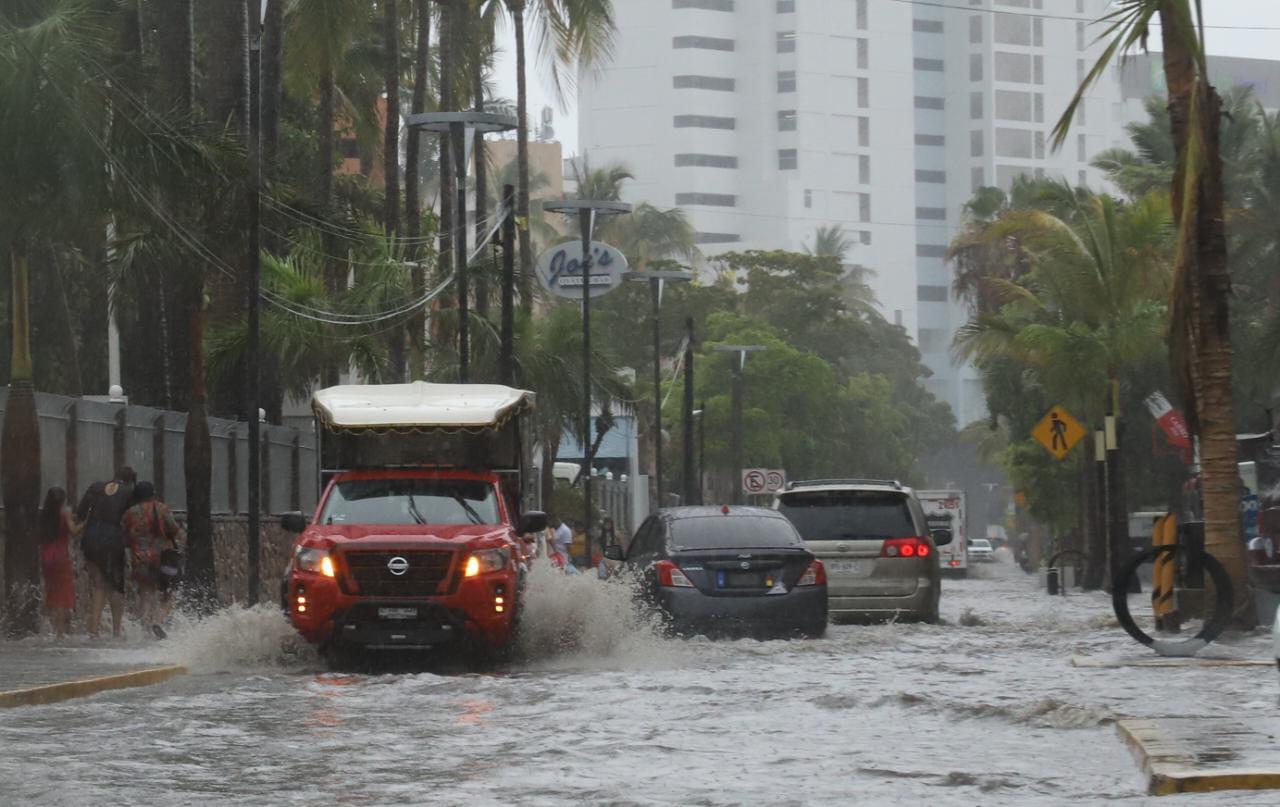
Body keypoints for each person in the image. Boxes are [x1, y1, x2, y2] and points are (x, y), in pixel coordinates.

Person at [78, 467, 137, 639]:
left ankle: (93, 631)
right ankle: (116, 632)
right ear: (130, 481)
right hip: (112, 539)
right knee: (116, 585)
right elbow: (132, 519)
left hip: (90, 538)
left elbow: (81, 512)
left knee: (100, 584)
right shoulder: (128, 492)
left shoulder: (96, 487)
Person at [121, 481, 185, 639]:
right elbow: (175, 530)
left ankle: (145, 630)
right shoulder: (162, 509)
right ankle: (158, 620)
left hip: (139, 558)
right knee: (172, 592)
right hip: (162, 558)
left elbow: (124, 536)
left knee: (145, 593)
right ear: (153, 494)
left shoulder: (129, 513)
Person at [38, 487, 80, 638]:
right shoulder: (64, 514)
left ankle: (46, 628)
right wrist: (86, 522)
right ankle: (60, 633)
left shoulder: (44, 515)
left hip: (46, 556)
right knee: (63, 596)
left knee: (51, 592)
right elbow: (73, 530)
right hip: (61, 557)